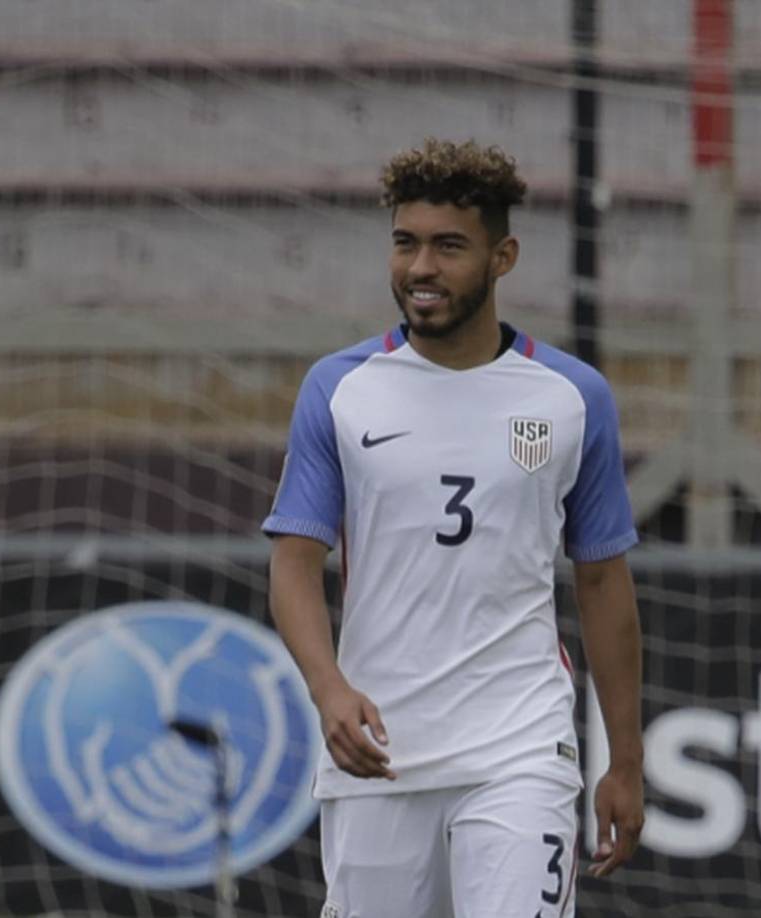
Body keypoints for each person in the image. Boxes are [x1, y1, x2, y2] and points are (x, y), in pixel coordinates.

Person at [263, 137, 644, 917]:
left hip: (520, 746)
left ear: (502, 256)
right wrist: (327, 686)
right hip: (379, 754)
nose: (421, 269)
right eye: (405, 243)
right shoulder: (338, 389)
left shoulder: (571, 397)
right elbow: (294, 564)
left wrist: (626, 763)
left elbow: (604, 581)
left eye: (448, 247)